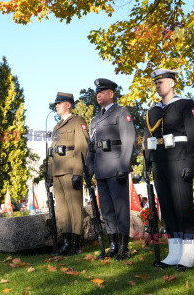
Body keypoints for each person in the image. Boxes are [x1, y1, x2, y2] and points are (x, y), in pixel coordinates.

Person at [143, 68, 194, 271]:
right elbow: (147, 138)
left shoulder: (185, 104)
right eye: (156, 83)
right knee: (167, 207)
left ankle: (188, 254)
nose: (158, 86)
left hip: (180, 160)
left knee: (182, 207)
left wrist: (191, 163)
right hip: (160, 162)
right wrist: (147, 163)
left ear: (172, 83)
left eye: (161, 82)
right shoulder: (153, 110)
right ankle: (175, 252)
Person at [85, 78, 136, 260]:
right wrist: (88, 168)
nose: (98, 95)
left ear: (111, 94)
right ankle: (113, 245)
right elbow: (91, 146)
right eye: (97, 92)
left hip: (116, 167)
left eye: (102, 91)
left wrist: (123, 165)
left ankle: (124, 247)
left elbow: (129, 139)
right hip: (100, 168)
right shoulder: (94, 120)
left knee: (120, 208)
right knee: (106, 209)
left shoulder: (121, 112)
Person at [48, 92, 89, 256]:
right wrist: (50, 174)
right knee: (63, 211)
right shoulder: (57, 126)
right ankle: (65, 243)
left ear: (69, 105)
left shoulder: (78, 121)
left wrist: (78, 172)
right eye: (56, 103)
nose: (57, 106)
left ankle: (75, 244)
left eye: (60, 103)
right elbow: (52, 151)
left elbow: (82, 147)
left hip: (71, 170)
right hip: (57, 171)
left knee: (74, 208)